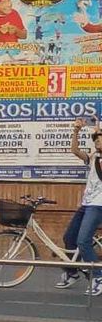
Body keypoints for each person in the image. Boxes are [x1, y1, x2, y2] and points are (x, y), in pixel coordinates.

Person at [56, 118, 102, 296]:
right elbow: (74, 150)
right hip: (86, 204)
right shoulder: (92, 156)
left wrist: (98, 131)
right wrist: (76, 131)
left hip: (98, 206)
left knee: (83, 241)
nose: (96, 141)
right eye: (95, 139)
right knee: (69, 238)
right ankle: (72, 272)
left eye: (99, 139)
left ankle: (98, 276)